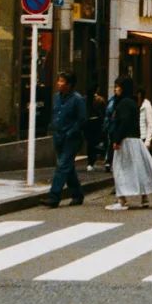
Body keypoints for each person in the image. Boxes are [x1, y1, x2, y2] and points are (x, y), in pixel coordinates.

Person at [105, 77, 152, 210]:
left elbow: (123, 123)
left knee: (120, 169)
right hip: (135, 141)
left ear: (123, 88)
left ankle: (121, 200)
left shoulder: (123, 103)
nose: (116, 89)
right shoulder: (133, 102)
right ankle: (144, 197)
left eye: (118, 86)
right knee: (139, 169)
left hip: (125, 141)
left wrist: (116, 140)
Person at [43, 72, 87, 208]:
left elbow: (82, 119)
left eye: (62, 81)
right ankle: (77, 194)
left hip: (71, 138)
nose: (59, 83)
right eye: (58, 81)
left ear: (69, 85)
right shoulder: (56, 97)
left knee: (62, 165)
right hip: (58, 136)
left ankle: (54, 196)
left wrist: (71, 131)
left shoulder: (77, 99)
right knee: (67, 167)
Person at [85, 90, 106, 172]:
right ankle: (92, 162)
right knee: (94, 143)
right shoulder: (99, 100)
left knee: (91, 144)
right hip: (97, 124)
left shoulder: (88, 100)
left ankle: (90, 163)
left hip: (90, 123)